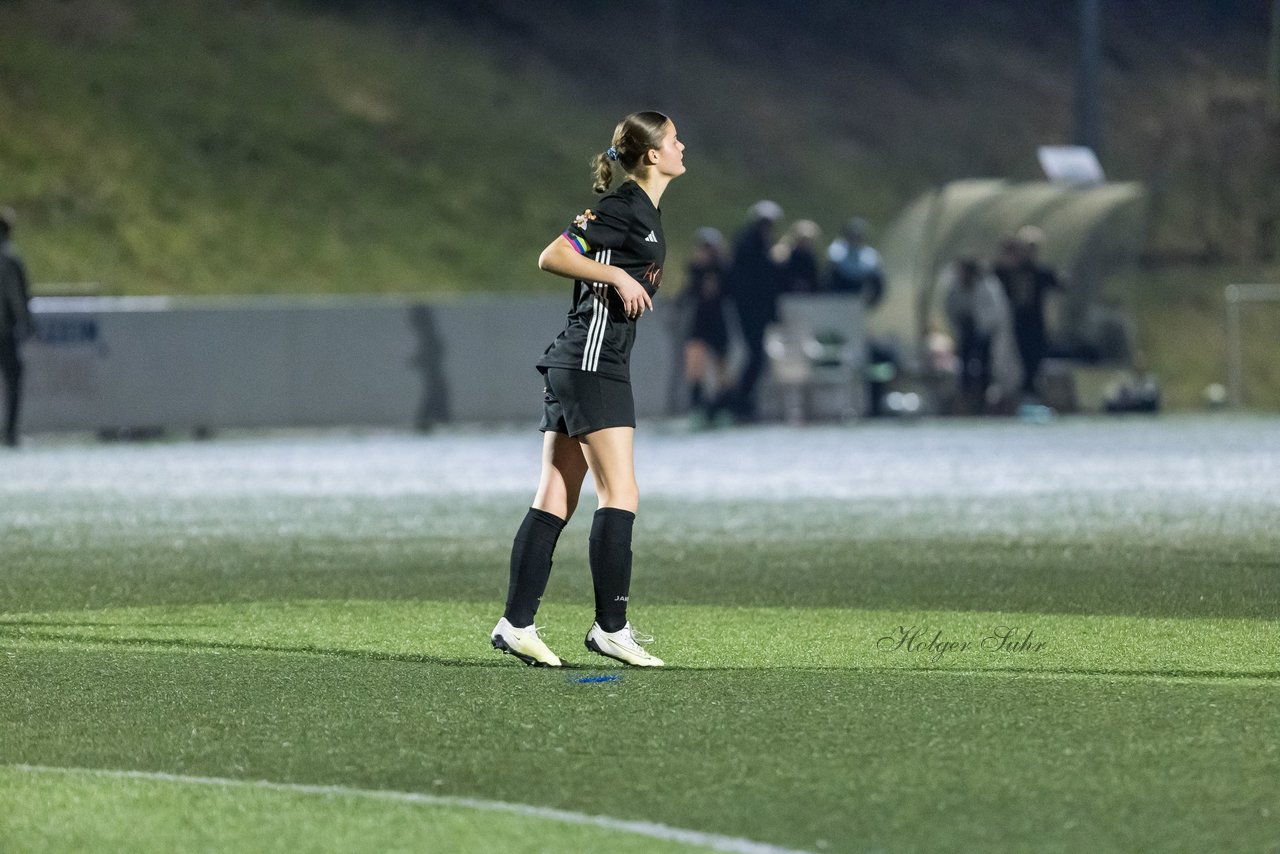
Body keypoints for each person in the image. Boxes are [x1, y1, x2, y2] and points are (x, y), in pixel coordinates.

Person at [490, 111, 685, 668]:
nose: (682, 146)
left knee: (556, 493)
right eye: (674, 139)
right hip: (592, 362)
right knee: (621, 492)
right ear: (653, 155)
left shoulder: (645, 211)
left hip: (581, 361)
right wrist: (618, 275)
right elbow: (553, 255)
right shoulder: (624, 207)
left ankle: (516, 624)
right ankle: (610, 628)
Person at [724, 200, 783, 422]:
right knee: (756, 355)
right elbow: (759, 278)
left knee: (757, 355)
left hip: (755, 308)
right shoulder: (750, 243)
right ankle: (740, 400)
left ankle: (743, 400)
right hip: (750, 309)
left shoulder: (757, 243)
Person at [941, 257, 1021, 415]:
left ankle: (983, 397)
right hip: (966, 331)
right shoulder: (956, 287)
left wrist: (982, 325)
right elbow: (950, 307)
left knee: (985, 365)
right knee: (964, 365)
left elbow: (996, 312)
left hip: (986, 332)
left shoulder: (988, 286)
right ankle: (966, 396)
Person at [995, 226, 1063, 401]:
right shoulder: (1008, 271)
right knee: (1015, 361)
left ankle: (1031, 392)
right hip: (1015, 324)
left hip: (1036, 324)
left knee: (1035, 358)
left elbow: (1059, 284)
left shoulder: (1040, 272)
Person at [680, 226, 733, 426]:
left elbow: (728, 292)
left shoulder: (723, 269)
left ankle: (722, 406)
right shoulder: (696, 269)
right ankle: (697, 407)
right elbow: (690, 292)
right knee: (695, 363)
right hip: (700, 320)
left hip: (718, 320)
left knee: (721, 366)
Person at [0, 207, 33, 448]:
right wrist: (26, 321)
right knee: (13, 380)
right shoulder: (9, 258)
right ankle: (10, 432)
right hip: (3, 330)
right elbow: (15, 295)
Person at [826, 217, 884, 306]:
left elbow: (874, 269)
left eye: (858, 236)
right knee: (831, 271)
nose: (855, 239)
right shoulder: (837, 248)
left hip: (859, 284)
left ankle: (871, 304)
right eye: (852, 235)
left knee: (877, 275)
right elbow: (834, 263)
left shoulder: (869, 253)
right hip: (841, 283)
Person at [772, 219, 822, 294]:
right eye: (803, 240)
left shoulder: (811, 259)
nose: (806, 243)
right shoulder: (786, 256)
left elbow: (815, 281)